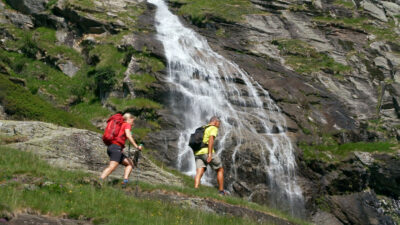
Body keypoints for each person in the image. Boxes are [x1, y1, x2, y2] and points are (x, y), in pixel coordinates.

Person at [100, 113, 142, 186]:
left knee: (130, 164)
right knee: (112, 167)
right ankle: (99, 180)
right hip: (116, 148)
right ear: (129, 119)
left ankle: (125, 181)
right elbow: (128, 136)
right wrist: (137, 146)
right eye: (133, 120)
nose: (133, 123)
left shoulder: (121, 125)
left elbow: (124, 135)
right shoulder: (127, 124)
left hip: (112, 147)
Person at [194, 116, 225, 195]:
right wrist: (210, 154)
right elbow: (211, 140)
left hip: (198, 152)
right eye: (219, 123)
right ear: (215, 122)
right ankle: (221, 192)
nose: (219, 125)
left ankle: (196, 188)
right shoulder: (213, 128)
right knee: (220, 169)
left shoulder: (203, 128)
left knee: (200, 170)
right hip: (206, 151)